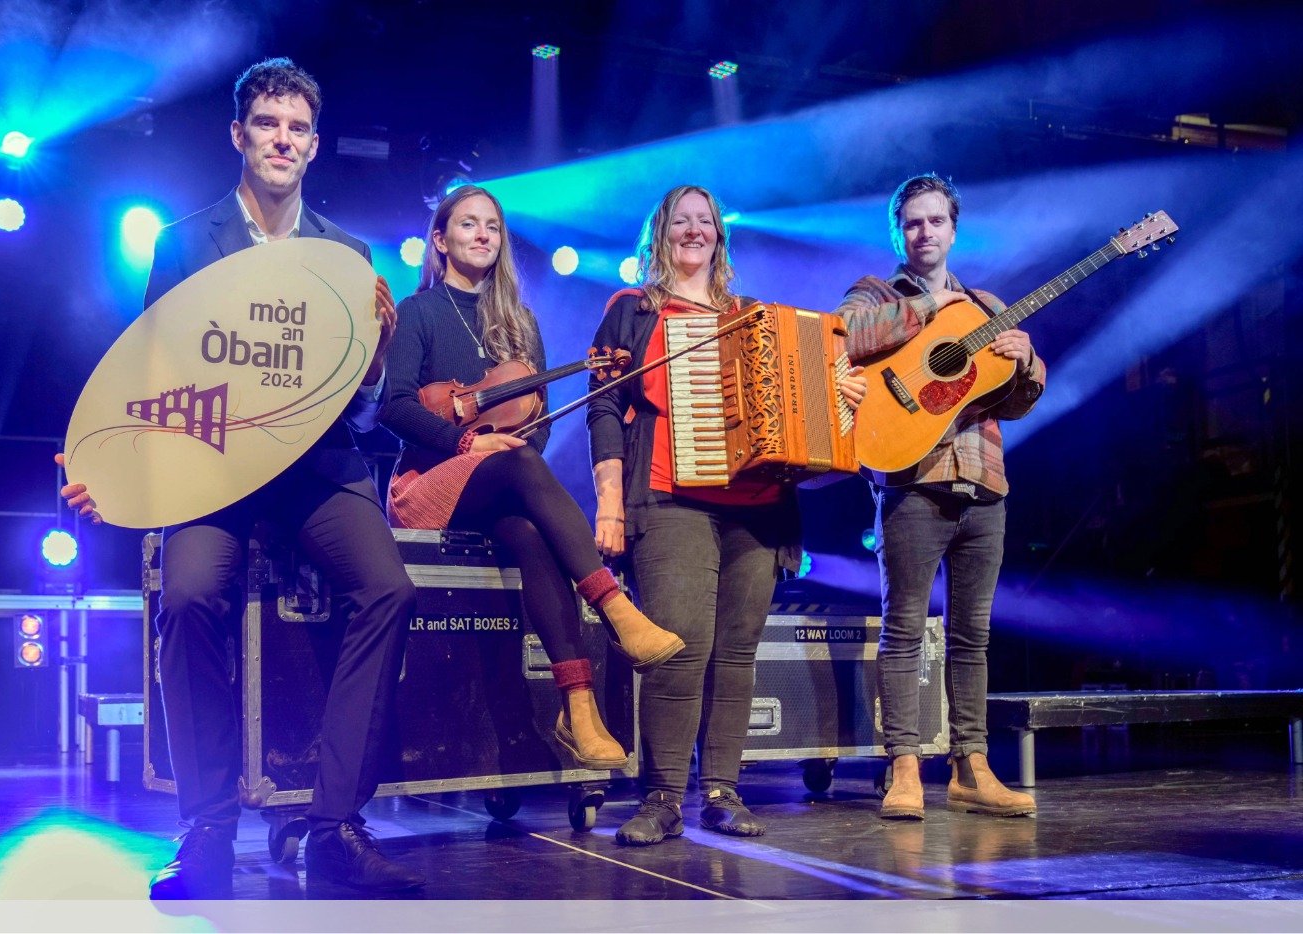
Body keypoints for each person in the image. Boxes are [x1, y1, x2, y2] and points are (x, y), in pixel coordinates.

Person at [58, 58, 424, 898]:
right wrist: (102, 467)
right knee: (186, 599)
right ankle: (208, 829)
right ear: (239, 135)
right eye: (268, 124)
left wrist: (370, 364)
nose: (282, 140)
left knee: (390, 590)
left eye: (297, 128)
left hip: (318, 466)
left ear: (315, 144)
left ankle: (335, 826)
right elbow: (146, 380)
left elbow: (363, 414)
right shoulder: (184, 243)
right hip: (212, 467)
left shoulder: (348, 255)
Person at [587, 185, 868, 846]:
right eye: (680, 220)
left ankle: (721, 790)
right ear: (660, 234)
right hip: (668, 497)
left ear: (720, 236)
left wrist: (841, 393)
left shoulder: (753, 317)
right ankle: (660, 798)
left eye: (704, 221)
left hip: (759, 509)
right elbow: (602, 405)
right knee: (678, 650)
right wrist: (607, 502)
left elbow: (806, 409)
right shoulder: (631, 311)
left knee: (736, 655)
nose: (693, 230)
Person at [379, 184, 684, 773]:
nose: (483, 235)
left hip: (501, 486)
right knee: (517, 463)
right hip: (429, 482)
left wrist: (508, 446)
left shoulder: (518, 324)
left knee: (528, 530)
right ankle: (616, 609)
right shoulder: (419, 312)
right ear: (439, 241)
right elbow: (394, 407)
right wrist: (469, 440)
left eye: (492, 226)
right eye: (468, 225)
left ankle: (578, 707)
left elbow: (537, 425)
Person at [835, 173, 1043, 821]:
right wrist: (925, 310)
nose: (925, 232)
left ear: (955, 229)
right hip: (910, 483)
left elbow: (1015, 397)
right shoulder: (876, 291)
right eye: (913, 223)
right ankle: (903, 768)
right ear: (899, 231)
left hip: (984, 485)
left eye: (936, 221)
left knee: (972, 635)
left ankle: (971, 768)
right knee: (903, 630)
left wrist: (1025, 357)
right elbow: (842, 336)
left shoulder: (986, 306)